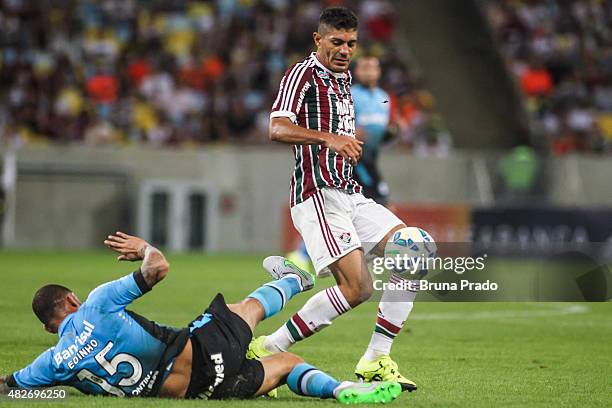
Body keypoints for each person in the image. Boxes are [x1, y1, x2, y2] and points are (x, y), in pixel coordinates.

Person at [0, 232, 401, 404]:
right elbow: (159, 268)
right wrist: (145, 248)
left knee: (284, 365)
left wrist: (58, 389)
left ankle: (340, 391)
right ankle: (295, 280)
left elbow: (10, 387)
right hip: (200, 354)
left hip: (198, 394)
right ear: (71, 299)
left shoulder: (52, 365)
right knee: (244, 310)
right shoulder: (96, 304)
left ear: (47, 328)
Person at [250, 6, 427, 392]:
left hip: (350, 194)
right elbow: (276, 127)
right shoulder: (304, 74)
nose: (345, 50)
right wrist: (329, 138)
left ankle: (376, 359)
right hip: (318, 196)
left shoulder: (345, 80)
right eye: (337, 42)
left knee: (416, 250)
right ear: (318, 40)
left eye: (351, 43)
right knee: (357, 288)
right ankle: (270, 346)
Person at [352, 55, 395, 206]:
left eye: (372, 68)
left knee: (382, 202)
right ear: (357, 71)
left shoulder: (384, 98)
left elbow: (383, 132)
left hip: (372, 160)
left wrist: (391, 132)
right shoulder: (349, 95)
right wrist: (350, 133)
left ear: (379, 72)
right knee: (376, 202)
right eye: (365, 68)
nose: (369, 72)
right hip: (353, 163)